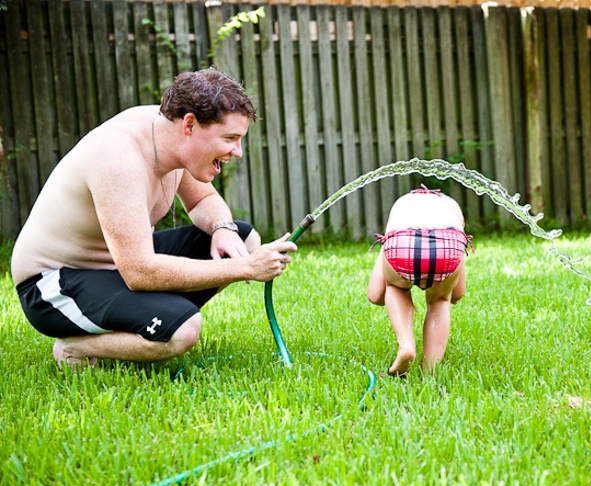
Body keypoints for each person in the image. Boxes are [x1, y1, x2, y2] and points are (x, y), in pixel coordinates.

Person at [11, 68, 297, 369]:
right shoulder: (120, 158)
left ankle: (156, 318)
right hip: (53, 287)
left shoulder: (170, 136)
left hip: (117, 268)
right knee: (183, 330)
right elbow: (140, 272)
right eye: (230, 138)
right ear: (190, 124)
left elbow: (203, 200)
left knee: (242, 238)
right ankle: (76, 349)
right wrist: (244, 267)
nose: (237, 152)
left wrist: (222, 228)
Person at [367, 185, 472, 376]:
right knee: (440, 300)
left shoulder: (402, 207)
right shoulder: (451, 209)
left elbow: (375, 295)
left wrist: (393, 283)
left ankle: (406, 344)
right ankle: (430, 371)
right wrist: (444, 294)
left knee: (396, 288)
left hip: (402, 241)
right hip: (447, 244)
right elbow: (458, 294)